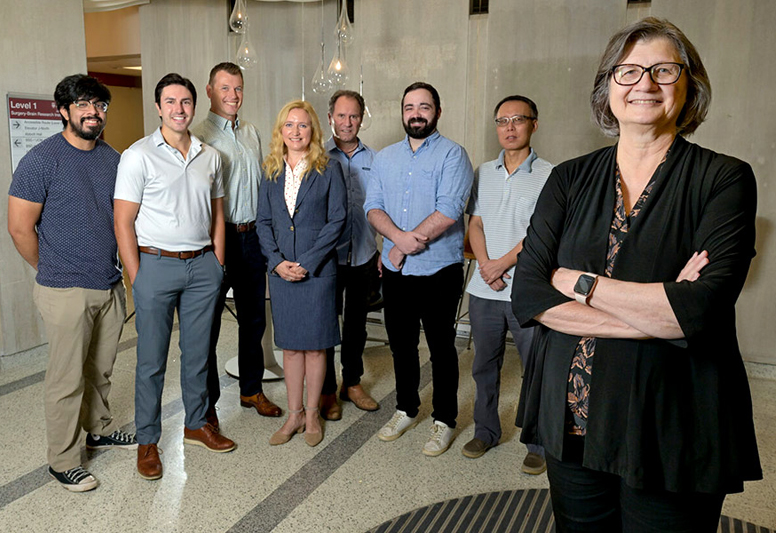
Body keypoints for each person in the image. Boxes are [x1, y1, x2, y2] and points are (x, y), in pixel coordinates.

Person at [511, 17, 761, 531]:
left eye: (663, 70)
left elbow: (702, 308)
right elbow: (530, 292)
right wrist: (663, 312)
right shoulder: (569, 178)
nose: (644, 84)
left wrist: (579, 283)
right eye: (627, 72)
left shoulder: (724, 179)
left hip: (672, 424)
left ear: (689, 86)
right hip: (572, 419)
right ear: (608, 88)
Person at [7, 74, 137, 492]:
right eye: (82, 103)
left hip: (108, 283)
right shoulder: (41, 160)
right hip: (64, 288)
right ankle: (62, 461)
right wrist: (52, 271)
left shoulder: (113, 159)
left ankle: (98, 428)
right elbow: (19, 228)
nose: (92, 112)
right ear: (62, 110)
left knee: (100, 370)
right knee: (66, 379)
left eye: (99, 104)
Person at [114, 73, 236, 481]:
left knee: (199, 354)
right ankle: (148, 440)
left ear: (194, 106)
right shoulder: (137, 156)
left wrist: (217, 263)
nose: (179, 109)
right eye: (170, 102)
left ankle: (196, 423)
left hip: (203, 266)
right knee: (151, 361)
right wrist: (138, 276)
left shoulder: (211, 156)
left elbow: (218, 214)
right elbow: (122, 221)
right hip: (155, 266)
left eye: (185, 102)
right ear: (158, 107)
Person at [365, 82, 474, 457]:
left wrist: (406, 244)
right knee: (401, 345)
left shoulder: (452, 155)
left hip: (439, 269)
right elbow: (373, 206)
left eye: (424, 107)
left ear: (437, 112)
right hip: (397, 270)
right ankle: (406, 408)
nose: (416, 113)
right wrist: (398, 240)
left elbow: (449, 209)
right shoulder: (385, 158)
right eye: (410, 106)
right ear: (402, 112)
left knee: (442, 348)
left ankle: (444, 419)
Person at [462, 95, 552, 473]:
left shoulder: (551, 174)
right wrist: (485, 266)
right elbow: (475, 223)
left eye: (518, 120)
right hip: (484, 291)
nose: (509, 128)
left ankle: (538, 442)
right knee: (484, 365)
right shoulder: (483, 172)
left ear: (534, 124)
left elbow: (542, 233)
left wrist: (500, 264)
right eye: (502, 121)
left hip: (527, 290)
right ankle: (486, 430)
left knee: (536, 367)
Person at [192, 62, 281, 428]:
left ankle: (250, 389)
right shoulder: (197, 136)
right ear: (210, 90)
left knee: (253, 320)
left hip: (252, 237)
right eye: (225, 88)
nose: (233, 95)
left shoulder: (252, 133)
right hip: (217, 238)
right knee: (208, 325)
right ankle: (208, 403)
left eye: (238, 88)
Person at [256, 100, 346, 448]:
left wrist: (307, 262)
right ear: (280, 131)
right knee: (291, 349)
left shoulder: (329, 168)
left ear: (314, 131)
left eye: (303, 125)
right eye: (289, 125)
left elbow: (337, 220)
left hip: (317, 272)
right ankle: (293, 416)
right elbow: (263, 222)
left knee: (315, 349)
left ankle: (312, 415)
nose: (296, 131)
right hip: (281, 273)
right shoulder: (270, 170)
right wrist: (277, 262)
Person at [319, 89, 380, 421]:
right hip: (328, 258)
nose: (347, 122)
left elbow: (382, 205)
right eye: (340, 116)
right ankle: (327, 390)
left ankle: (351, 383)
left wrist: (386, 248)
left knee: (356, 324)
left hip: (364, 253)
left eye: (353, 116)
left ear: (362, 117)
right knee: (326, 325)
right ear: (330, 119)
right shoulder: (317, 156)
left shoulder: (376, 159)